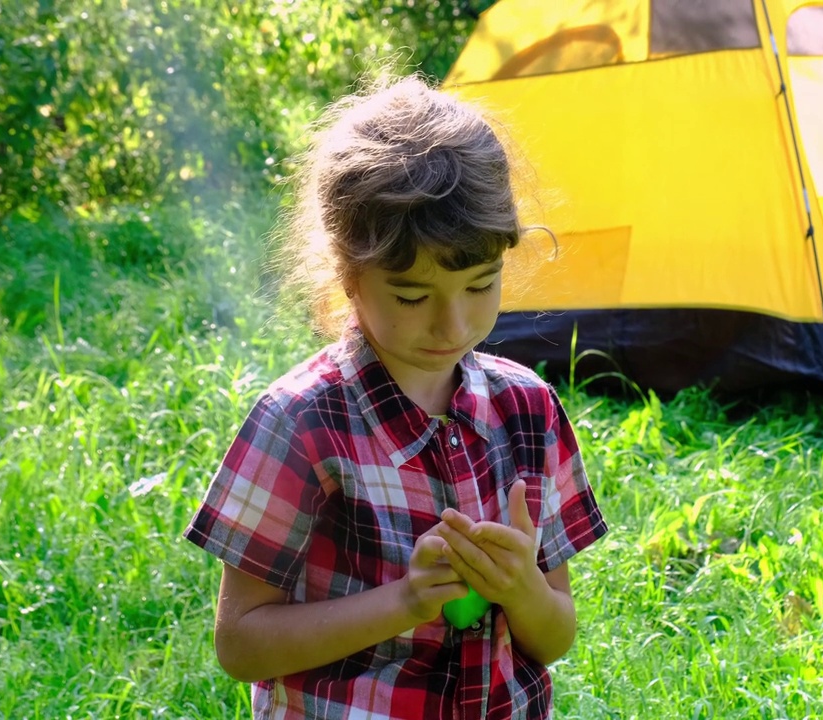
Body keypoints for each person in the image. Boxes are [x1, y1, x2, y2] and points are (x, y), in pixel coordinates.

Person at [183, 73, 608, 720]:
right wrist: (405, 603)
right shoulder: (299, 424)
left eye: (480, 284)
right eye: (412, 296)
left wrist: (523, 591)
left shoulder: (529, 411)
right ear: (347, 277)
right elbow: (241, 644)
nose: (453, 325)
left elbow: (555, 636)